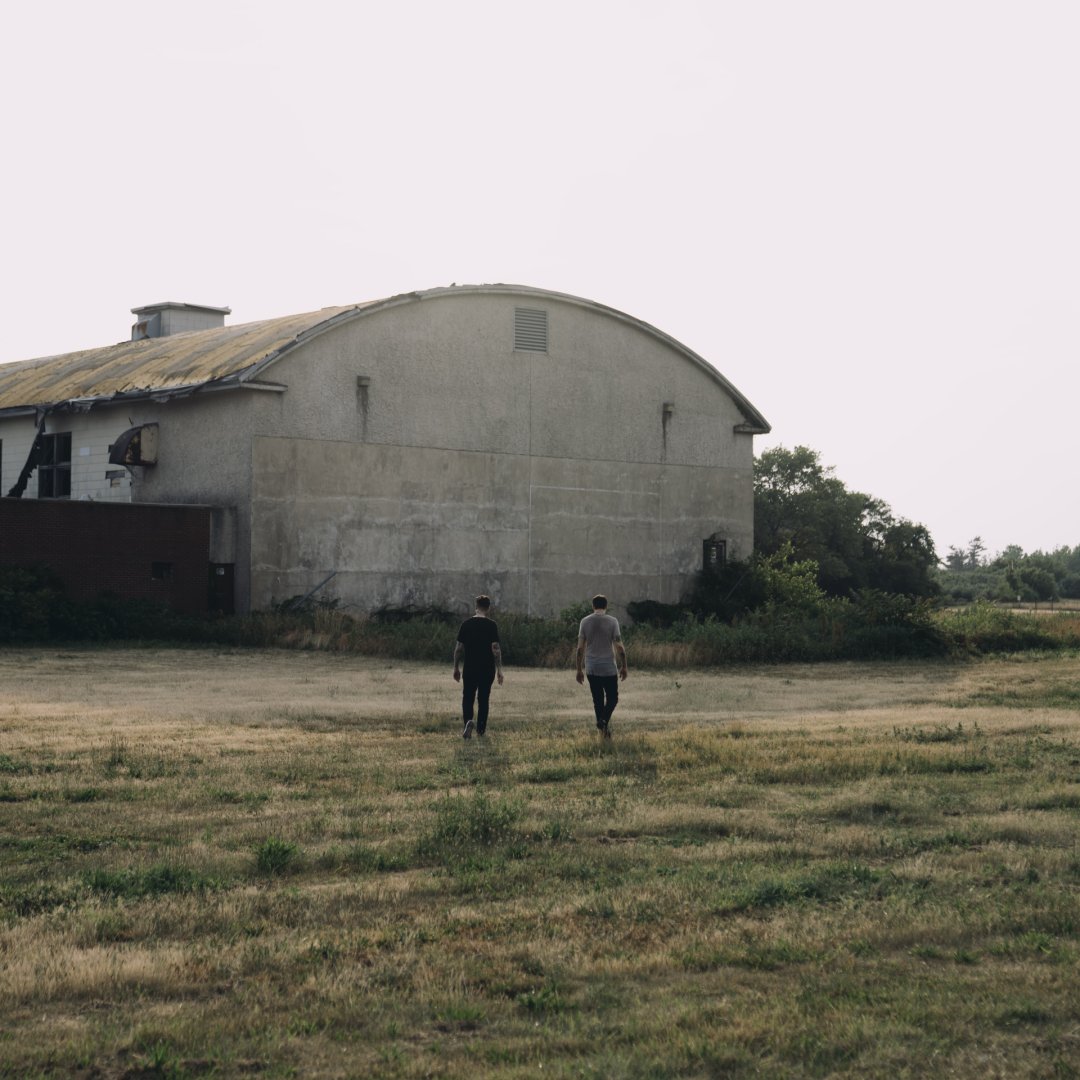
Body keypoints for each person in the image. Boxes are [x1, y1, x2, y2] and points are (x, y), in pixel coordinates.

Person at [575, 594, 627, 738]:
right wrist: (624, 666)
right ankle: (603, 721)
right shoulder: (612, 621)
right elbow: (619, 646)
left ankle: (603, 727)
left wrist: (579, 669)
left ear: (593, 606)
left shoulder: (584, 622)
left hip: (592, 667)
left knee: (597, 699)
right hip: (608, 667)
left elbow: (580, 649)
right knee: (613, 699)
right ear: (605, 606)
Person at [453, 595, 504, 738]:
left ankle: (468, 722)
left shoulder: (466, 624)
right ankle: (481, 730)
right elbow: (496, 649)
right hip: (487, 669)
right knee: (483, 698)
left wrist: (456, 667)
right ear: (488, 608)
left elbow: (458, 649)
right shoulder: (491, 625)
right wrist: (499, 669)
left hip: (470, 667)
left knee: (468, 697)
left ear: (476, 606)